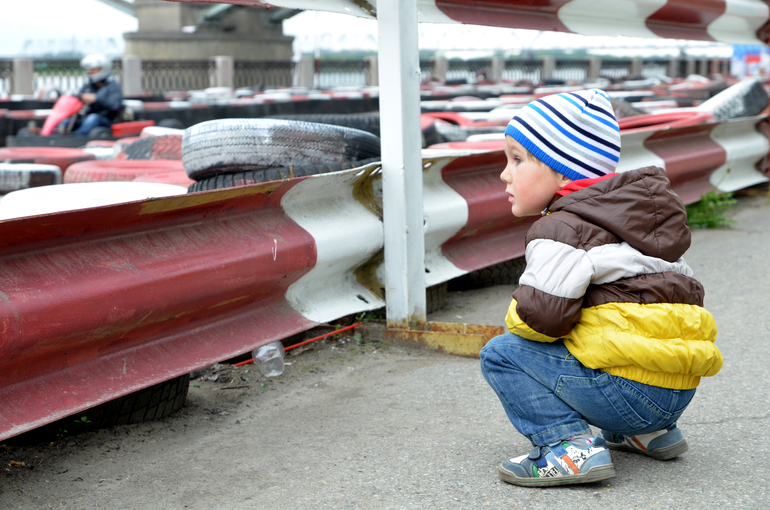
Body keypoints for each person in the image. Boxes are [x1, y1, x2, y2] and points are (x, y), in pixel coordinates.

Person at [479, 89, 723, 487]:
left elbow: (539, 320)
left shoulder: (564, 228)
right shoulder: (643, 223)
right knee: (605, 325)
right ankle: (648, 435)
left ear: (562, 171)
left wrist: (518, 311)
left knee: (503, 352)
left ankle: (566, 448)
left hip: (630, 396)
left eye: (517, 160)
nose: (505, 173)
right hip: (676, 394)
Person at [65, 54, 123, 136]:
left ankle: (78, 138)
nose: (90, 72)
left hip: (106, 120)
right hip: (86, 118)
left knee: (93, 118)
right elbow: (79, 96)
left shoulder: (113, 86)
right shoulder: (88, 86)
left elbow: (116, 105)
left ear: (103, 69)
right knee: (66, 122)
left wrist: (96, 99)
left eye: (93, 69)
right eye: (89, 69)